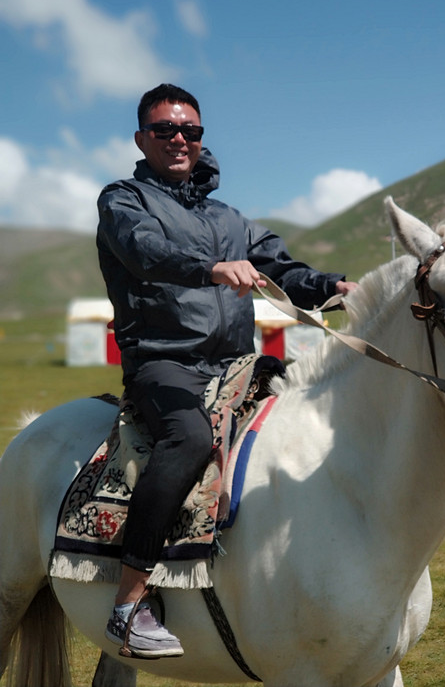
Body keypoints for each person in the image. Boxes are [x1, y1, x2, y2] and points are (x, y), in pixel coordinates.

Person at [96, 83, 357, 659]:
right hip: (164, 362)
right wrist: (212, 268)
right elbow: (145, 253)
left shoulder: (228, 217)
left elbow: (282, 268)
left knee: (314, 403)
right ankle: (128, 604)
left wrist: (335, 287)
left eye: (191, 129)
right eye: (165, 129)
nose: (180, 138)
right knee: (188, 438)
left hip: (235, 363)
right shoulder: (123, 201)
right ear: (143, 138)